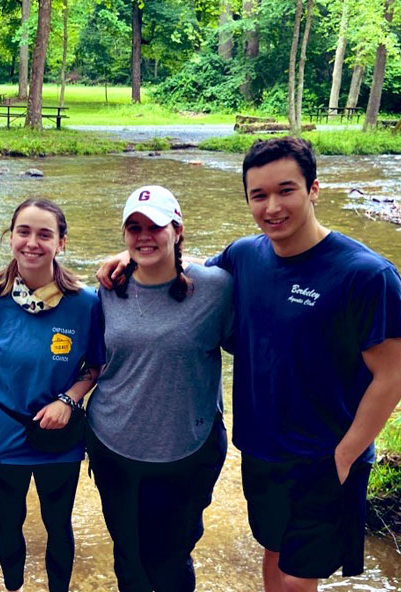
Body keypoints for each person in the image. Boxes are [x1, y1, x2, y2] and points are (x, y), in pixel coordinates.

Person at [97, 137, 401, 592]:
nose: (272, 207)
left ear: (314, 189)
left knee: (300, 580)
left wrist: (343, 457)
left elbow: (391, 378)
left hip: (324, 456)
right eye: (259, 195)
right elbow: (180, 276)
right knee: (274, 556)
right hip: (262, 451)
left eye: (286, 190)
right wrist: (133, 254)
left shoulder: (365, 274)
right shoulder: (245, 257)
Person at [87, 185, 233, 592]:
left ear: (178, 229)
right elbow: (90, 360)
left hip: (188, 448)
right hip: (114, 445)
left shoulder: (217, 287)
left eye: (155, 226)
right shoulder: (108, 287)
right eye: (134, 228)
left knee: (170, 560)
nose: (144, 235)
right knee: (128, 558)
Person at [0, 198, 105, 592]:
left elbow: (96, 367)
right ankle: (13, 587)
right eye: (23, 232)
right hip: (2, 436)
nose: (32, 242)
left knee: (58, 524)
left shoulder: (85, 304)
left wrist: (69, 400)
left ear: (61, 243)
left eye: (44, 234)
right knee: (8, 522)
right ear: (10, 237)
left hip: (59, 438)